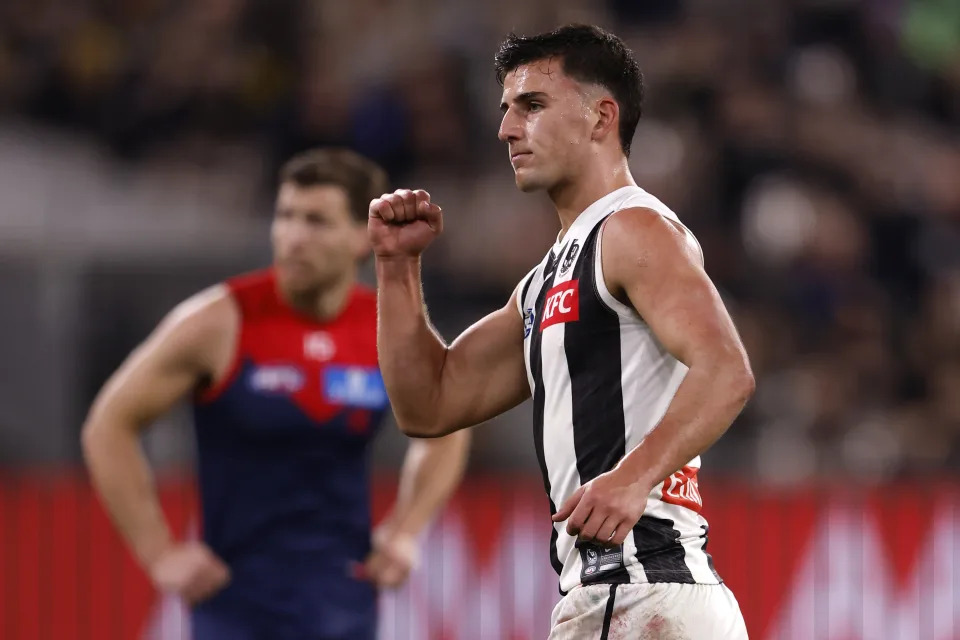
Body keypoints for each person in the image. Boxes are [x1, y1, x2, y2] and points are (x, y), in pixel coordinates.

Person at [368, 24, 753, 639]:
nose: (506, 129)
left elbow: (727, 369)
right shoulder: (549, 276)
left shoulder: (632, 230)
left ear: (602, 117)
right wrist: (396, 266)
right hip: (631, 596)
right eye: (504, 110)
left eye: (533, 105)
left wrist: (633, 477)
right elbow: (429, 403)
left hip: (638, 590)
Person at [82, 148, 470, 640]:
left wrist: (407, 530)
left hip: (343, 597)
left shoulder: (384, 328)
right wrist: (159, 553)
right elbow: (109, 425)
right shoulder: (218, 322)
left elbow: (448, 422)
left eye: (316, 221)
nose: (293, 236)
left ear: (360, 237)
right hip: (233, 600)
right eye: (285, 216)